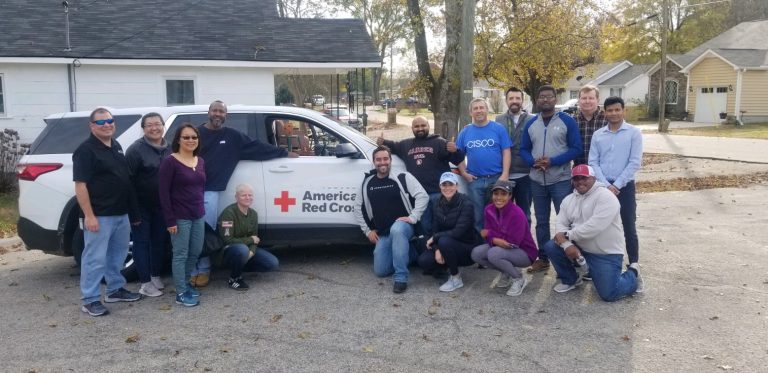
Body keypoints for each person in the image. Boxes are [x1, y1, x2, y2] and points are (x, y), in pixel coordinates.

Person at [191, 100, 298, 287]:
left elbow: (257, 147)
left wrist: (283, 153)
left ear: (226, 115)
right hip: (188, 191)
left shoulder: (232, 136)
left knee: (203, 233)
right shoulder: (195, 135)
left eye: (221, 111)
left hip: (210, 191)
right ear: (208, 112)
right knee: (189, 233)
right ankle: (192, 270)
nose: (217, 114)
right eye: (214, 110)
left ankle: (204, 269)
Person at [73, 107, 141, 317]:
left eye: (110, 121)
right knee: (94, 258)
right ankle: (90, 299)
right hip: (100, 215)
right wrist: (89, 216)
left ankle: (114, 290)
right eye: (101, 122)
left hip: (121, 213)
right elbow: (80, 185)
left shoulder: (116, 146)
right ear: (92, 126)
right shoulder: (85, 150)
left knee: (117, 256)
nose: (107, 125)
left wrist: (133, 213)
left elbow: (125, 180)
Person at [543, 164, 642, 301]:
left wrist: (567, 236)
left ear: (594, 178)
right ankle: (571, 279)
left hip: (605, 253)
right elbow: (560, 224)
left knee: (609, 294)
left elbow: (594, 227)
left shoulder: (607, 197)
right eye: (576, 178)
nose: (580, 182)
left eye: (584, 178)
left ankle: (633, 273)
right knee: (551, 246)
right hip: (581, 249)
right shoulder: (569, 199)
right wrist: (567, 245)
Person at [520, 85, 582, 273]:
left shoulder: (567, 121)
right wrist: (532, 162)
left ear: (555, 99)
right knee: (542, 222)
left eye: (549, 96)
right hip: (537, 180)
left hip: (561, 180)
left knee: (566, 221)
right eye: (542, 97)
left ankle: (570, 259)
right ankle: (543, 258)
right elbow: (523, 149)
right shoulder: (531, 123)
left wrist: (553, 161)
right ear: (536, 100)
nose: (545, 100)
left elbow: (576, 148)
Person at [353, 145, 429, 294]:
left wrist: (413, 217)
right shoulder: (368, 183)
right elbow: (357, 207)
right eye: (378, 159)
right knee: (381, 270)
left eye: (385, 159)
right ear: (373, 162)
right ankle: (411, 251)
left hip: (404, 228)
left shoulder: (403, 177)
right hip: (384, 233)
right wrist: (367, 231)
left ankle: (401, 278)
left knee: (397, 228)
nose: (382, 162)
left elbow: (422, 196)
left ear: (390, 160)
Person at [377, 116, 465, 234]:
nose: (420, 128)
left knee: (443, 226)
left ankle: (443, 250)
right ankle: (427, 250)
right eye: (416, 126)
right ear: (412, 128)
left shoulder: (439, 142)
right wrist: (381, 142)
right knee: (424, 229)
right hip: (418, 197)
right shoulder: (405, 145)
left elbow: (458, 159)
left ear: (429, 126)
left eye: (423, 125)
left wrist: (456, 150)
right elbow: (390, 146)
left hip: (438, 195)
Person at [589, 96, 643, 279]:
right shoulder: (598, 135)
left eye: (617, 110)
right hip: (602, 188)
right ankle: (606, 264)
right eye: (610, 110)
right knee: (603, 226)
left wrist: (617, 185)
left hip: (625, 187)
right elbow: (593, 162)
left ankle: (634, 263)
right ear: (605, 113)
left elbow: (635, 162)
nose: (613, 113)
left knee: (628, 225)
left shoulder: (633, 133)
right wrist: (605, 185)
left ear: (623, 110)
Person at [159, 124, 206, 307]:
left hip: (198, 215)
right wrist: (170, 220)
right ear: (178, 140)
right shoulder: (170, 162)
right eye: (186, 137)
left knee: (195, 252)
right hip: (180, 217)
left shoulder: (200, 161)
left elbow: (200, 188)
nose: (191, 140)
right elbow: (163, 193)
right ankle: (180, 292)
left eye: (194, 137)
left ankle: (185, 284)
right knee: (180, 254)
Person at [125, 112, 170, 297]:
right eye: (149, 125)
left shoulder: (170, 149)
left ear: (163, 126)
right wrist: (133, 211)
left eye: (158, 124)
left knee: (158, 242)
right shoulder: (135, 150)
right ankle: (145, 282)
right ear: (143, 128)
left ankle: (155, 275)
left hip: (162, 206)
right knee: (141, 243)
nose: (154, 128)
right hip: (141, 206)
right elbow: (127, 182)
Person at [471, 180, 538, 296]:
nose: (499, 197)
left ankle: (519, 279)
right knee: (476, 253)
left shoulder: (517, 213)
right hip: (500, 248)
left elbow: (512, 242)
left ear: (510, 196)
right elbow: (488, 235)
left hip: (525, 252)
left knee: (493, 253)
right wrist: (493, 238)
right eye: (496, 194)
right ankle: (507, 272)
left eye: (503, 194)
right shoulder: (488, 209)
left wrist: (491, 236)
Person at [417, 172, 481, 292]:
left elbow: (458, 232)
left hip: (466, 248)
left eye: (450, 184)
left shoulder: (466, 203)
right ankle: (446, 266)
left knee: (444, 241)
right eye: (444, 185)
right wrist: (437, 249)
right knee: (424, 260)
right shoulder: (437, 203)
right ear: (440, 187)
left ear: (456, 186)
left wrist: (436, 238)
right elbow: (435, 229)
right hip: (445, 244)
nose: (447, 188)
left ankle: (456, 278)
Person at [456, 98, 512, 233]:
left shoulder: (498, 129)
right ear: (471, 112)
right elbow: (458, 156)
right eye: (475, 108)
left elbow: (506, 152)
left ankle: (497, 246)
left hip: (497, 179)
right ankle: (479, 249)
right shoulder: (465, 132)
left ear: (487, 110)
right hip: (475, 181)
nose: (479, 110)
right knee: (477, 217)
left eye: (482, 107)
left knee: (498, 215)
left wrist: (504, 175)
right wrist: (464, 173)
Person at [216, 184, 280, 291]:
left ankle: (238, 267)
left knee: (272, 263)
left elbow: (256, 239)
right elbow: (227, 240)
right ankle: (234, 278)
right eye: (243, 195)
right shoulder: (228, 213)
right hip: (228, 251)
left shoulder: (253, 214)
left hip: (246, 250)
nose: (247, 198)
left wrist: (251, 252)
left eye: (250, 195)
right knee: (242, 249)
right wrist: (250, 240)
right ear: (236, 197)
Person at [495, 87, 534, 225]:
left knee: (525, 214)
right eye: (511, 98)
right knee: (503, 212)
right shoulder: (498, 120)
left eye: (518, 98)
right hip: (504, 174)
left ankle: (525, 244)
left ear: (522, 100)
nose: (514, 101)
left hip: (525, 174)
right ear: (506, 100)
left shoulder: (532, 119)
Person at [572, 85, 607, 165]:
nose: (587, 101)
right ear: (579, 100)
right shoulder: (572, 121)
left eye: (591, 98)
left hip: (603, 171)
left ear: (598, 100)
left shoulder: (607, 120)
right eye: (584, 98)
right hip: (580, 172)